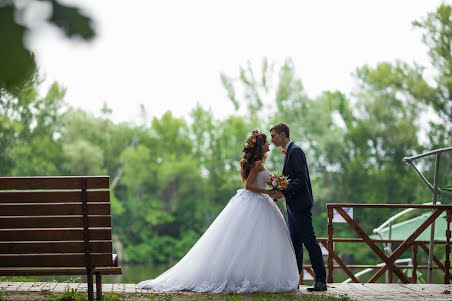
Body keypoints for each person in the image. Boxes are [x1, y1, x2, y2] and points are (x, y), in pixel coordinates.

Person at [136, 129, 299, 293]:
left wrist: (273, 190)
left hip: (261, 202)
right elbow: (248, 186)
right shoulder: (257, 164)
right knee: (246, 239)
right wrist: (268, 192)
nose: (268, 144)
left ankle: (253, 276)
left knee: (256, 241)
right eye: (265, 142)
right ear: (260, 147)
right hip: (255, 202)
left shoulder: (259, 163)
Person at [269, 123, 327, 292]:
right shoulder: (290, 152)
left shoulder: (295, 151)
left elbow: (301, 179)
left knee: (310, 242)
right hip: (293, 206)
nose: (272, 139)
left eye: (273, 136)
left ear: (282, 134)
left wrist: (283, 191)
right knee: (295, 244)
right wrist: (283, 190)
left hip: (300, 205)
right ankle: (294, 281)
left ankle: (321, 280)